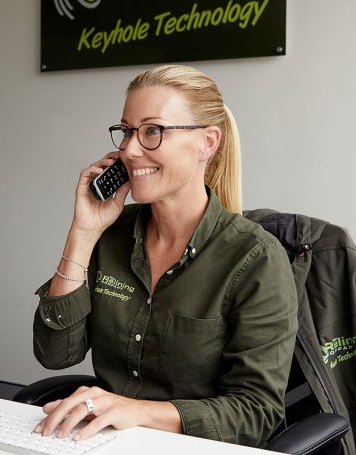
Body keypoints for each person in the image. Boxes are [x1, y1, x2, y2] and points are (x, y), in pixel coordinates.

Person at [31, 64, 298, 448]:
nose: (129, 149)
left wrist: (135, 411)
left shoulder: (256, 259)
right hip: (105, 442)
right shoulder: (110, 234)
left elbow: (256, 412)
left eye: (152, 131)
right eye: (126, 132)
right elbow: (55, 354)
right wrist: (83, 233)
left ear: (208, 142)